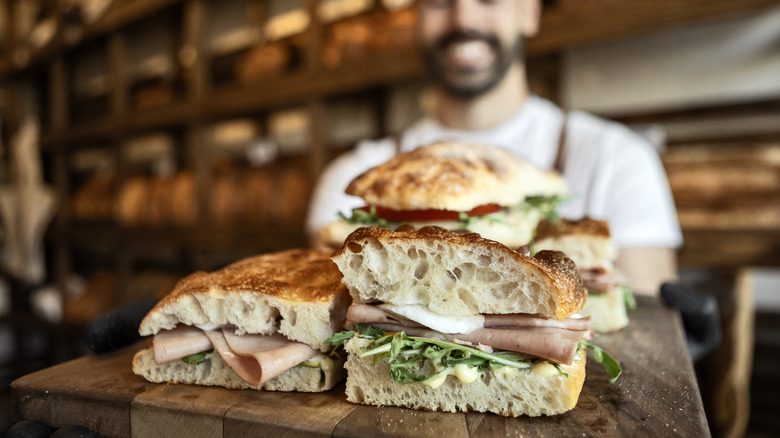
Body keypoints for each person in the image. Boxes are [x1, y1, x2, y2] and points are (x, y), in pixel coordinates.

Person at [305, 0, 682, 295]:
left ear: (529, 12)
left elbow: (652, 332)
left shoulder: (617, 158)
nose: (463, 18)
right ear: (416, 20)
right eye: (439, 1)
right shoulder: (351, 178)